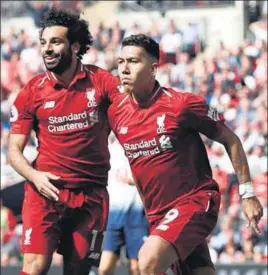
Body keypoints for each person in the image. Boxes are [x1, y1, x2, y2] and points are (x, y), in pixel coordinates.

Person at [107, 34, 264, 275]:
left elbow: (230, 139)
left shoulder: (181, 105)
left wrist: (247, 193)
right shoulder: (117, 113)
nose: (124, 69)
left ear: (153, 69)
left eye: (133, 61)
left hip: (196, 201)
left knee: (147, 262)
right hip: (158, 214)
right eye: (121, 61)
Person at [8, 7, 119, 275]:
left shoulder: (102, 82)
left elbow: (132, 113)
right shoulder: (31, 92)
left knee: (79, 271)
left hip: (91, 195)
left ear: (75, 45)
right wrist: (35, 177)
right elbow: (14, 151)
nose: (47, 49)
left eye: (55, 42)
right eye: (43, 43)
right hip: (45, 192)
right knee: (35, 267)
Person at [99, 133, 149, 275]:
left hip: (136, 217)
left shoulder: (140, 148)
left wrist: (132, 180)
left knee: (136, 268)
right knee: (104, 268)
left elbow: (151, 177)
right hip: (113, 217)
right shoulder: (107, 150)